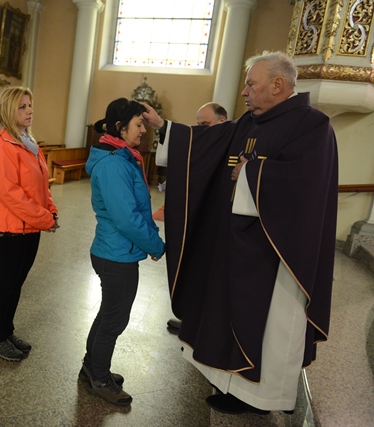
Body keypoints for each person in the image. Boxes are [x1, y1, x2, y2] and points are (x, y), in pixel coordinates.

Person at [145, 51, 338, 414]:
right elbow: (207, 143)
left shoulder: (313, 126)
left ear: (277, 85)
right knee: (228, 313)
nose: (245, 92)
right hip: (235, 243)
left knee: (268, 325)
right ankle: (233, 386)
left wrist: (252, 174)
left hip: (275, 253)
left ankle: (261, 399)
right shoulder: (249, 122)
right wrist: (164, 127)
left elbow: (305, 185)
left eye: (251, 84)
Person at [79, 98, 166, 406]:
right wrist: (155, 244)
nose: (144, 130)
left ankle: (91, 367)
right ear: (120, 127)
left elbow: (135, 211)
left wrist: (148, 240)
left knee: (108, 314)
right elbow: (126, 218)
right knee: (114, 320)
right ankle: (100, 379)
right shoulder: (114, 164)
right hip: (116, 255)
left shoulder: (121, 157)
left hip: (117, 250)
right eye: (139, 124)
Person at [0, 86, 59, 361]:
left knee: (16, 283)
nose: (30, 111)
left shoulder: (28, 142)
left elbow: (41, 184)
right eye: (22, 107)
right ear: (8, 110)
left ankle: (6, 331)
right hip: (8, 229)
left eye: (30, 105)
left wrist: (51, 210)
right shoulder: (0, 145)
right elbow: (10, 194)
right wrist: (44, 219)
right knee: (5, 285)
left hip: (29, 227)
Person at [166, 102, 227, 332]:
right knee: (195, 270)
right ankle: (191, 319)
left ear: (222, 122)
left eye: (205, 125)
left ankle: (205, 326)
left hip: (219, 224)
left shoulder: (230, 142)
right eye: (198, 125)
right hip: (201, 220)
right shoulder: (207, 148)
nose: (200, 130)